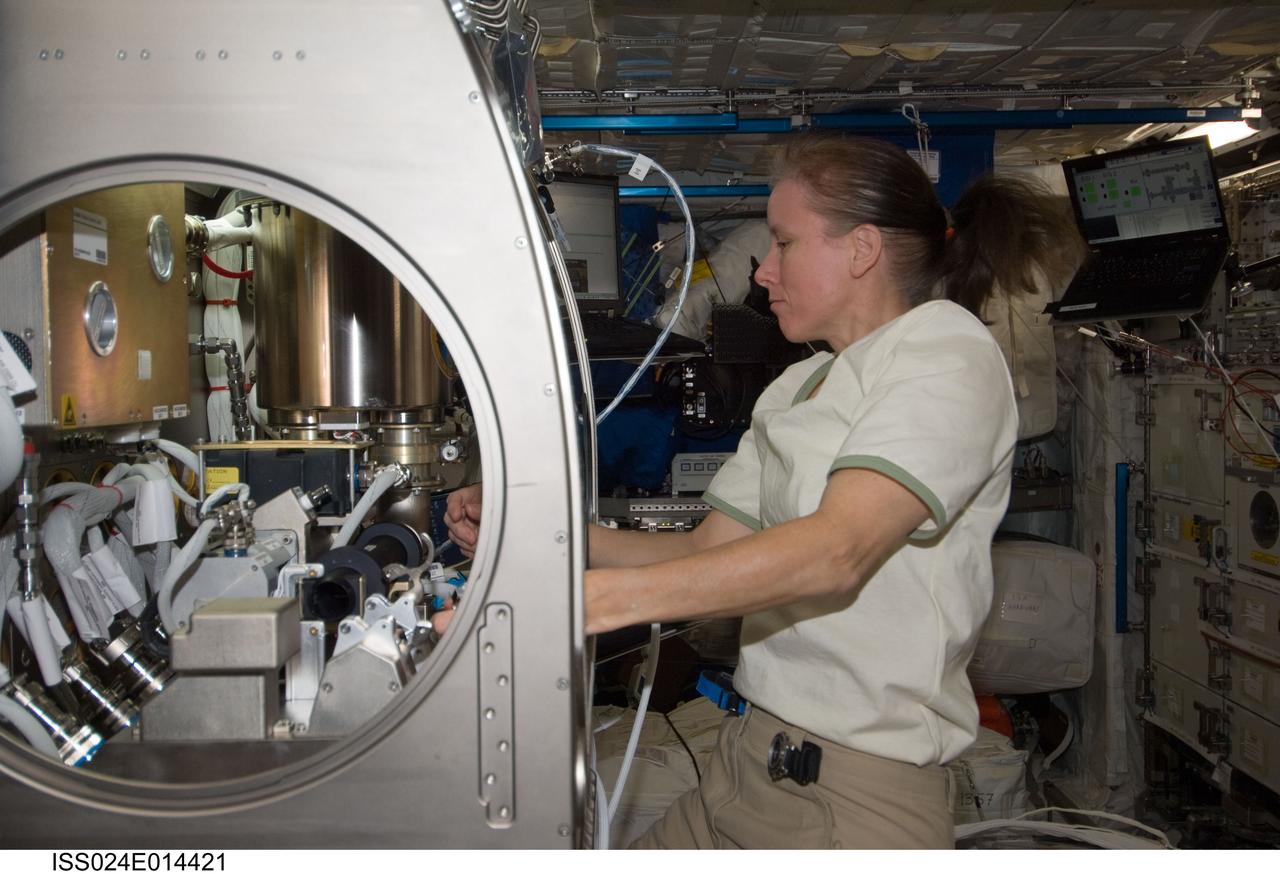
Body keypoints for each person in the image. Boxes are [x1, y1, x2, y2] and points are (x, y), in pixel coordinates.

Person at [446, 134, 1084, 849]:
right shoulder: (800, 385)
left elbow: (836, 552)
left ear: (861, 249)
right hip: (748, 761)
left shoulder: (946, 351)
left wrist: (581, 606)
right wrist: (535, 530)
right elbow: (703, 549)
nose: (763, 270)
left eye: (783, 242)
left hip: (854, 795)